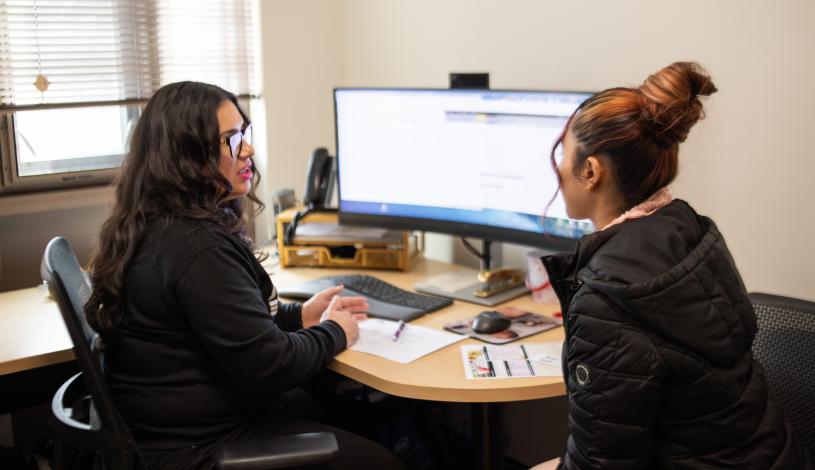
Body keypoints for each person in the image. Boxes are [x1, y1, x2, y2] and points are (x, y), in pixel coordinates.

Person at [85, 81, 405, 469]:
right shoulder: (197, 248)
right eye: (231, 139)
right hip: (202, 449)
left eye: (244, 133)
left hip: (176, 430)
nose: (248, 149)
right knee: (381, 460)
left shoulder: (156, 224)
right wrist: (337, 331)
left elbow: (225, 326)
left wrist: (299, 316)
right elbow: (270, 366)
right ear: (186, 155)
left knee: (354, 408)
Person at [532, 62, 811, 469]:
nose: (558, 168)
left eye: (563, 154)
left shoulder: (607, 299)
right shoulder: (687, 230)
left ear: (591, 172)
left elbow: (602, 463)